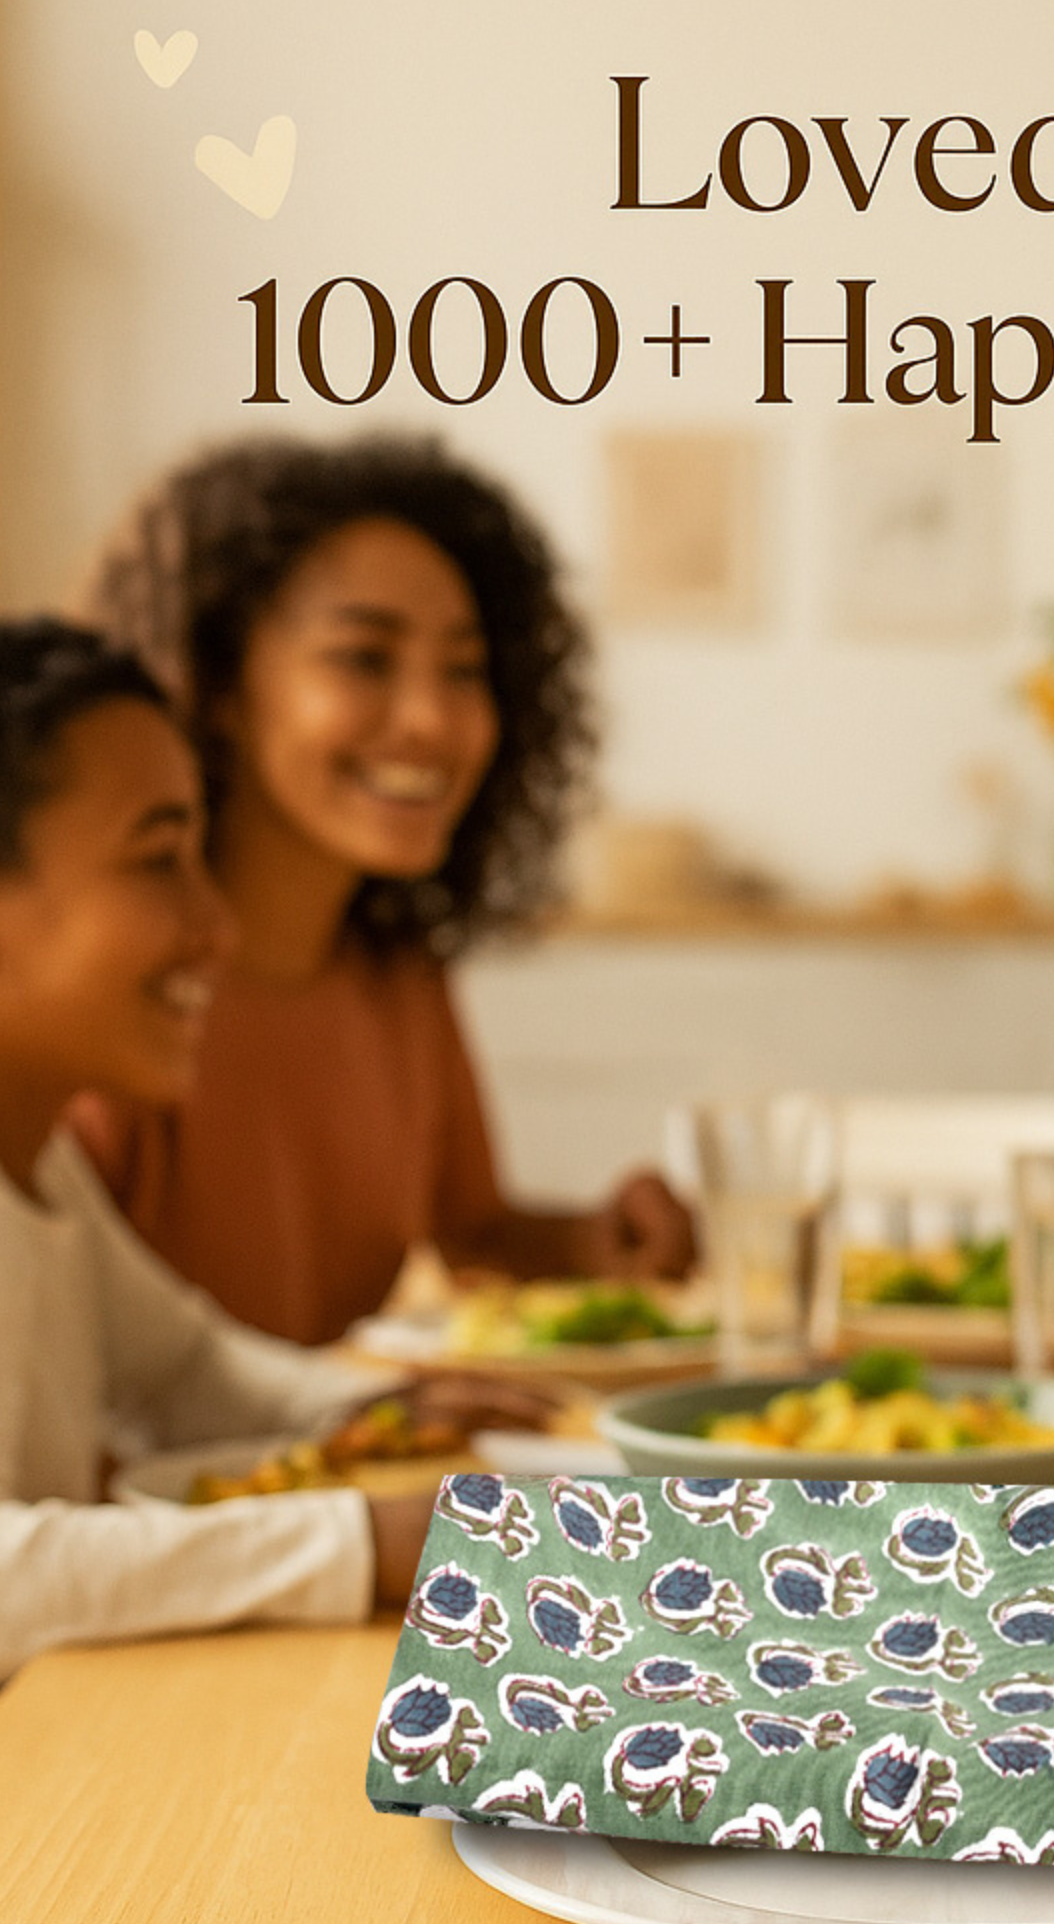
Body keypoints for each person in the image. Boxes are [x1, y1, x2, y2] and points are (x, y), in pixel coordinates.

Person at [0, 619, 539, 1684]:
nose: (216, 923)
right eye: (159, 860)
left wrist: (368, 1407)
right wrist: (357, 1543)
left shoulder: (34, 1151)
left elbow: (180, 1366)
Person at [70, 435, 695, 1343]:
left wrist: (596, 1240)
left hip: (314, 1473)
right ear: (217, 687)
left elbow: (470, 1233)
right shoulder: (112, 986)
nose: (433, 721)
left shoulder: (397, 976)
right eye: (364, 658)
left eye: (465, 670)